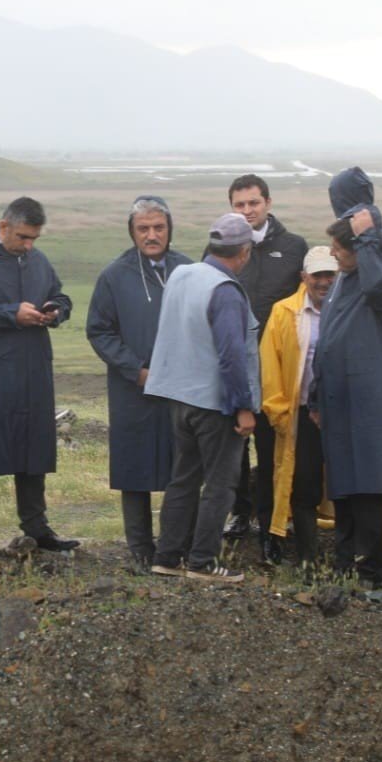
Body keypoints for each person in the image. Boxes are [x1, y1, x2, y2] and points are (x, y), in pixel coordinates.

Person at [0, 196, 78, 569]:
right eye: (23, 237)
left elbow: (60, 294)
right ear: (2, 226)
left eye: (34, 238)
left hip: (32, 371)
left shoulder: (36, 260)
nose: (29, 245)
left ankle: (36, 527)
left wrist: (55, 311)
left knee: (33, 449)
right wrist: (11, 314)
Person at [145, 213, 259, 584]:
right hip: (214, 404)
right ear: (243, 252)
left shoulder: (182, 275)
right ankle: (203, 562)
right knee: (221, 484)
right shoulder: (225, 290)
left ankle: (167, 555)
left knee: (184, 479)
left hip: (178, 399)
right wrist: (243, 406)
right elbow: (232, 355)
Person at [85, 195, 192, 571]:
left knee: (183, 465)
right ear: (132, 232)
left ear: (169, 229)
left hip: (181, 388)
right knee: (136, 468)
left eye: (158, 227)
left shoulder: (187, 270)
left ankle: (177, 544)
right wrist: (136, 369)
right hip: (134, 388)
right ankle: (141, 549)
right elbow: (99, 331)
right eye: (143, 228)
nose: (151, 235)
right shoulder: (114, 276)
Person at [312, 201, 382, 589]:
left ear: (362, 246)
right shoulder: (341, 282)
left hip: (369, 398)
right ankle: (344, 563)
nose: (333, 254)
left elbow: (378, 286)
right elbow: (327, 342)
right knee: (343, 482)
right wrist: (316, 396)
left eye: (340, 247)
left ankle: (372, 571)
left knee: (370, 481)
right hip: (337, 399)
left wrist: (369, 239)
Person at [220, 174, 307, 552]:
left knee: (273, 445)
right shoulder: (224, 246)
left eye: (253, 203)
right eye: (239, 205)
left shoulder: (293, 247)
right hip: (234, 364)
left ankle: (272, 521)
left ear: (268, 203)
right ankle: (239, 512)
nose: (247, 211)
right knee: (233, 446)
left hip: (276, 368)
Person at [259, 247, 338, 568]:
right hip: (301, 416)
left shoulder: (348, 309)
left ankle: (348, 554)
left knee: (344, 485)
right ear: (304, 277)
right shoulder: (283, 313)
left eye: (329, 274)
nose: (323, 281)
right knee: (303, 486)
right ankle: (308, 556)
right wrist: (279, 414)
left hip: (340, 417)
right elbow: (270, 365)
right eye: (317, 275)